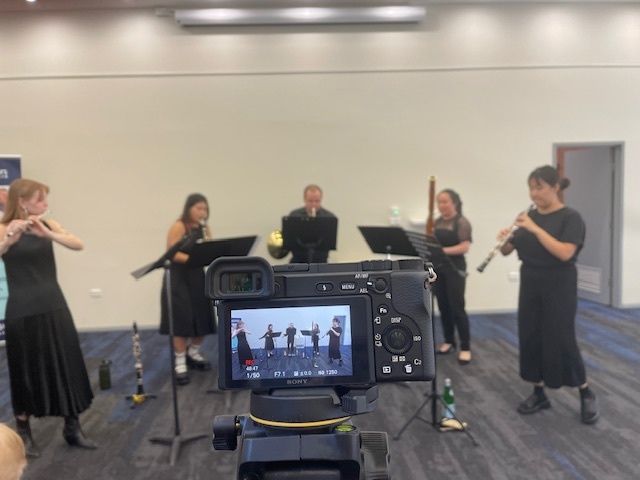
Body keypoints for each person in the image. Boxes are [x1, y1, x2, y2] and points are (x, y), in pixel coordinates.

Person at [0, 179, 96, 458]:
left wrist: (47, 234)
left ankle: (72, 427)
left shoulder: (49, 225)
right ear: (22, 201)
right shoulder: (4, 228)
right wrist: (11, 238)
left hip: (53, 305)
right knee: (24, 368)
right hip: (21, 309)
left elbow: (78, 244)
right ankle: (24, 432)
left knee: (65, 363)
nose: (45, 205)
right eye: (40, 200)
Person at [499, 165, 599, 424]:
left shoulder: (570, 217)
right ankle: (538, 391)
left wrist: (534, 228)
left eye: (539, 187)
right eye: (531, 188)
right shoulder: (529, 216)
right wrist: (505, 239)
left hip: (559, 283)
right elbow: (507, 251)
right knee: (531, 335)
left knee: (561, 337)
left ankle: (585, 391)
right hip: (531, 281)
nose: (534, 194)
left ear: (555, 187)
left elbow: (565, 252)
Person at [160, 193, 215, 385]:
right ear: (189, 208)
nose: (202, 212)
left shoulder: (204, 227)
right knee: (182, 318)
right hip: (179, 276)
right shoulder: (179, 226)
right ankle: (180, 360)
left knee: (202, 315)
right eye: (198, 208)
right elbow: (172, 252)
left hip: (197, 276)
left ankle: (193, 352)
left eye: (205, 209)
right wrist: (194, 259)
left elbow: (209, 249)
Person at [432, 189, 473, 365]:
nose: (441, 205)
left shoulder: (462, 222)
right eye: (439, 202)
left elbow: (465, 247)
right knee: (443, 306)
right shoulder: (437, 221)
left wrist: (441, 251)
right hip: (439, 268)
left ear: (454, 203)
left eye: (445, 202)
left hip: (455, 268)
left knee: (457, 307)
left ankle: (465, 347)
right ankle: (449, 341)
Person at [288, 184, 336, 263]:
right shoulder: (294, 215)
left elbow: (329, 244)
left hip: (321, 262)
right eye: (310, 201)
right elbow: (290, 242)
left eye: (317, 201)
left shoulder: (329, 217)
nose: (314, 204)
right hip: (298, 261)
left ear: (321, 199)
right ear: (304, 199)